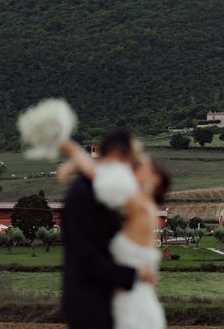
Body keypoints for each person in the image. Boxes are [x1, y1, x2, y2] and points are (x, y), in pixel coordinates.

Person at [60, 132, 170, 329]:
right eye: (134, 162)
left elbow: (99, 174)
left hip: (129, 302)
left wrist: (74, 154)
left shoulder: (140, 206)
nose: (133, 166)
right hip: (116, 299)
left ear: (152, 181)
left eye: (140, 165)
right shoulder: (133, 206)